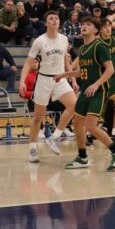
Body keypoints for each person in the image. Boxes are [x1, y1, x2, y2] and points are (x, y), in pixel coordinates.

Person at [63, 18, 115, 171]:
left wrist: (97, 84)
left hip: (99, 91)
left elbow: (110, 69)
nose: (84, 26)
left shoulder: (99, 46)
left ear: (96, 30)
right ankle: (82, 157)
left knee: (91, 126)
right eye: (83, 24)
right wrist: (65, 74)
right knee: (77, 123)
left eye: (88, 24)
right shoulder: (83, 48)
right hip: (86, 90)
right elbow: (83, 71)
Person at [19, 11, 76, 163]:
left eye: (56, 18)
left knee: (74, 105)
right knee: (38, 117)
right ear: (46, 23)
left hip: (60, 78)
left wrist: (72, 78)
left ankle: (55, 137)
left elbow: (66, 60)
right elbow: (28, 63)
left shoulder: (64, 39)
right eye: (51, 18)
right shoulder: (39, 41)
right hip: (44, 79)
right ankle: (32, 148)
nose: (54, 20)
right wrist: (22, 81)